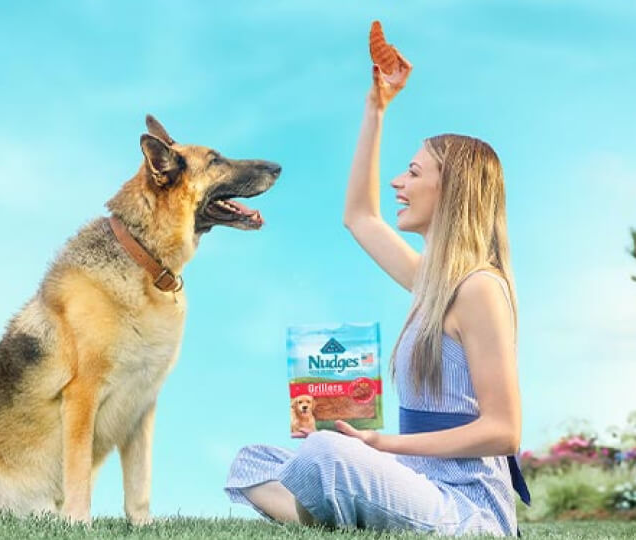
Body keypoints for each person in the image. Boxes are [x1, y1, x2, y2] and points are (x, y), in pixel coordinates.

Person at [224, 50, 528, 537]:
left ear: (450, 190)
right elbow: (360, 217)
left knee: (325, 455)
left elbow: (504, 430)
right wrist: (377, 105)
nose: (397, 182)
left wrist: (381, 445)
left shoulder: (480, 289)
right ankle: (347, 513)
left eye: (412, 172)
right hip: (414, 481)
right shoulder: (433, 282)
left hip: (468, 508)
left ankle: (339, 508)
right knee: (251, 462)